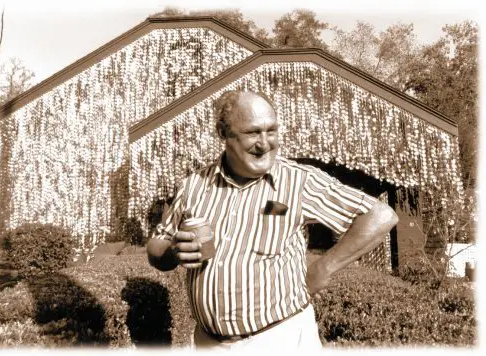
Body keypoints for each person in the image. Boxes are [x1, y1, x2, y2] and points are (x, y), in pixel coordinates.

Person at [146, 90, 399, 351]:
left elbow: (380, 216)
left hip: (281, 339)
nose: (265, 143)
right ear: (223, 134)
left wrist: (323, 268)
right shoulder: (195, 185)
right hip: (209, 343)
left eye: (272, 130)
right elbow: (157, 246)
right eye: (253, 132)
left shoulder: (299, 181)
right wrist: (173, 251)